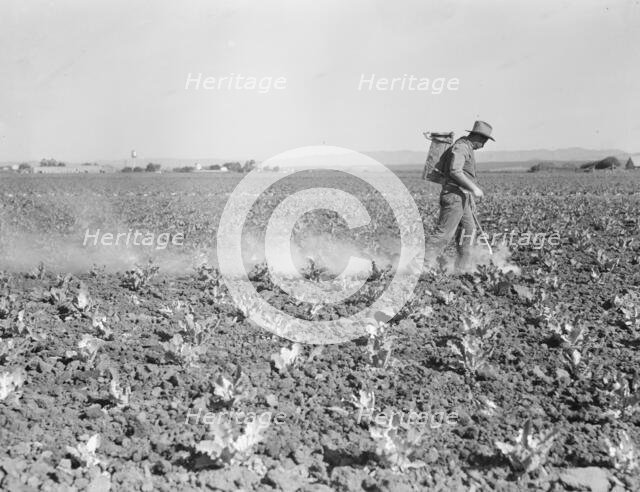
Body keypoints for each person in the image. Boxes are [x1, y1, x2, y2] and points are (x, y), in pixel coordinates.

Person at [424, 120, 494, 272]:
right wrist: (474, 189)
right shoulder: (461, 147)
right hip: (454, 196)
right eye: (484, 141)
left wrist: (469, 197)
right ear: (479, 138)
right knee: (443, 234)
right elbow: (455, 171)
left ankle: (462, 268)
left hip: (462, 196)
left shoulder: (467, 147)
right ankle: (420, 266)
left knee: (469, 230)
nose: (483, 145)